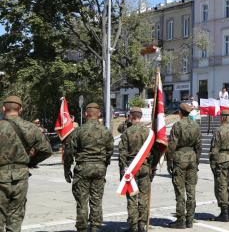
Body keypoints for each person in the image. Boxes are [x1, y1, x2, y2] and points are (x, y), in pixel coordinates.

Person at [0, 96, 52, 231]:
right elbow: (46, 150)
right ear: (21, 109)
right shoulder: (31, 128)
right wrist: (30, 162)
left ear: (3, 108)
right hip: (21, 177)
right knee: (15, 218)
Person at [63, 102, 114, 232]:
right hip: (99, 169)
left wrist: (67, 169)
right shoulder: (106, 131)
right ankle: (95, 227)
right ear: (99, 114)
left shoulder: (79, 131)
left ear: (86, 114)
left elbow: (69, 152)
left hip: (83, 169)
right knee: (96, 199)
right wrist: (104, 164)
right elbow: (110, 151)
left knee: (82, 201)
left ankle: (82, 228)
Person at [118, 107, 155, 232]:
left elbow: (122, 154)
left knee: (132, 198)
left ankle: (133, 226)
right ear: (140, 116)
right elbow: (153, 152)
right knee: (144, 197)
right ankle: (142, 225)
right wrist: (152, 168)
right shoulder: (148, 132)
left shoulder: (127, 133)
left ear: (131, 116)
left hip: (131, 169)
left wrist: (122, 172)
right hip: (144, 167)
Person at [166, 103, 202, 228]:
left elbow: (171, 146)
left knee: (180, 191)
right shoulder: (196, 126)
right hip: (192, 158)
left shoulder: (177, 126)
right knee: (191, 190)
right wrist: (196, 160)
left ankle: (180, 219)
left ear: (180, 112)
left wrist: (169, 161)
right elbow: (199, 146)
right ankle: (190, 219)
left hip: (179, 159)